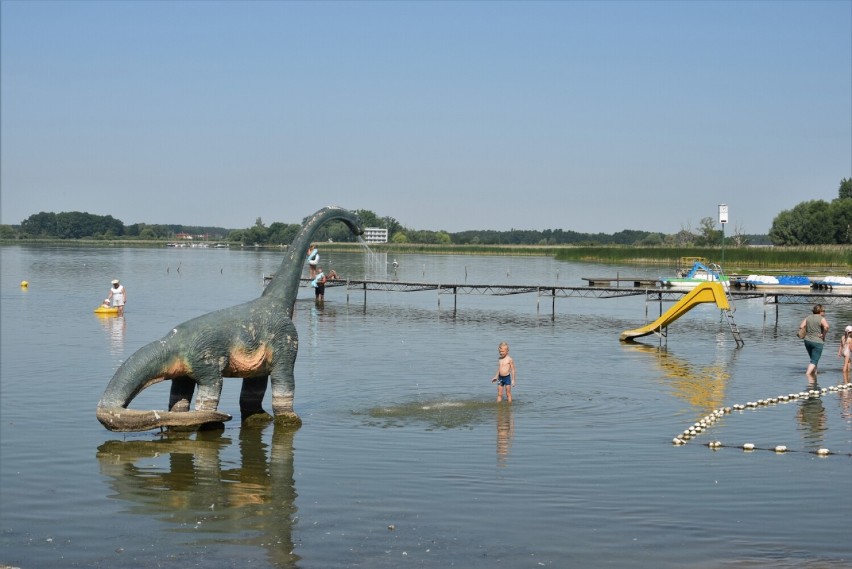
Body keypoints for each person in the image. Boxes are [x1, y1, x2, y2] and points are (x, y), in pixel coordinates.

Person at [799, 304, 829, 382]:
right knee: (814, 360)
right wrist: (823, 335)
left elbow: (801, 326)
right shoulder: (821, 318)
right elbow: (827, 327)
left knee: (813, 359)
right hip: (817, 341)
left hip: (807, 340)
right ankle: (808, 375)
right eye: (824, 311)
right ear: (820, 311)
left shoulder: (808, 317)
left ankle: (814, 374)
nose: (824, 313)